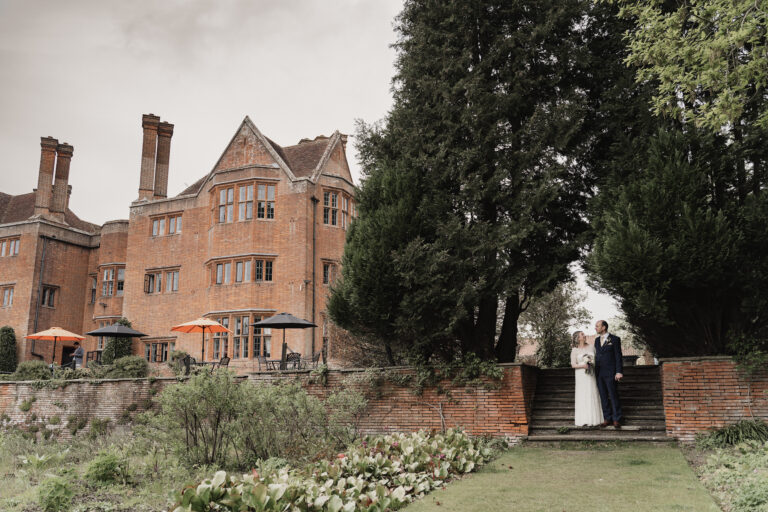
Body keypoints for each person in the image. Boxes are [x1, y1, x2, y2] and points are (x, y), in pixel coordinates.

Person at [570, 331, 604, 426]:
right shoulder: (574, 350)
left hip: (591, 374)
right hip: (581, 375)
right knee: (582, 395)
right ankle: (583, 419)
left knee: (591, 392)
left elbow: (596, 360)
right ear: (577, 338)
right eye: (582, 334)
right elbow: (573, 365)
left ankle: (594, 419)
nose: (584, 335)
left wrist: (591, 363)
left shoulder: (591, 347)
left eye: (584, 334)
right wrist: (583, 366)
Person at [594, 319, 623, 428]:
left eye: (597, 326)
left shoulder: (615, 339)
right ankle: (607, 418)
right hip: (599, 373)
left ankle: (617, 419)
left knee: (613, 395)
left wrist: (619, 371)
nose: (595, 328)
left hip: (611, 372)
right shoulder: (596, 341)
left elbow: (618, 356)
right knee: (603, 396)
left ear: (604, 327)